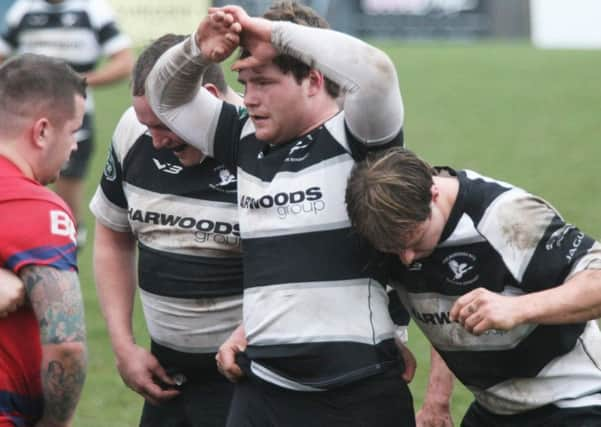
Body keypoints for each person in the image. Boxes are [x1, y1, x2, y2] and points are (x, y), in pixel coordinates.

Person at [145, 2, 415, 426]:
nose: (250, 98)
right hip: (265, 390)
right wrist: (197, 48)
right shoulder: (241, 138)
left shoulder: (358, 134)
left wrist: (269, 32)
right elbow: (165, 98)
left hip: (358, 388)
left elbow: (376, 71)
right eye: (245, 82)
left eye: (265, 82)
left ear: (313, 79)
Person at [345, 146, 601, 427]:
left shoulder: (504, 216)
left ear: (433, 195)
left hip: (575, 400)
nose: (406, 259)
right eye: (393, 249)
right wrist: (437, 399)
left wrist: (517, 308)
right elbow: (443, 306)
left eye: (414, 240)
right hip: (496, 409)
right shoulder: (389, 229)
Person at [90, 33, 244, 427]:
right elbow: (112, 235)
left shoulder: (260, 145)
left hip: (246, 378)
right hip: (166, 377)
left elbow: (296, 270)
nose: (155, 141)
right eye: (147, 126)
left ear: (207, 98)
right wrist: (124, 347)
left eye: (164, 125)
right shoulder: (135, 130)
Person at [0, 0, 134, 248]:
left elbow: (124, 62)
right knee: (19, 182)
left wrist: (72, 84)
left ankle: (67, 246)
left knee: (67, 196)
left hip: (72, 120)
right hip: (24, 120)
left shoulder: (92, 9)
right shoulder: (24, 9)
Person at [0, 54, 87, 427]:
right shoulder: (37, 207)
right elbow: (65, 345)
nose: (76, 147)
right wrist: (56, 423)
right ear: (42, 131)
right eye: (74, 132)